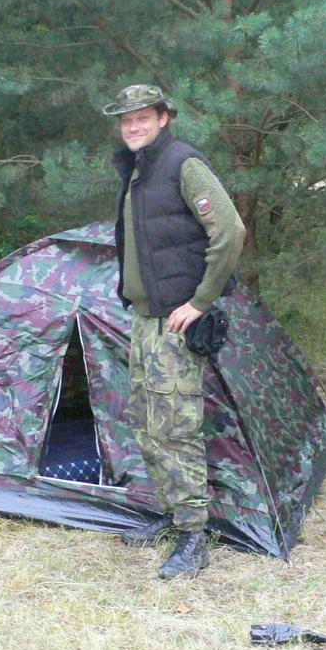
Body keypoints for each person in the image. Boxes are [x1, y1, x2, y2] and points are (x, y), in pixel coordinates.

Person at [102, 84, 246, 579]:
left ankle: (193, 537)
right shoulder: (137, 169)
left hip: (176, 322)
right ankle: (171, 512)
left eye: (142, 117)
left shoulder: (184, 164)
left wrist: (200, 301)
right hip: (145, 318)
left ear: (164, 118)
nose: (133, 126)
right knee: (147, 421)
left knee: (175, 427)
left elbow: (230, 232)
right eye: (126, 120)